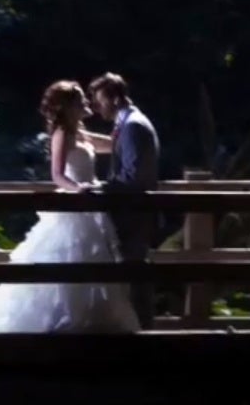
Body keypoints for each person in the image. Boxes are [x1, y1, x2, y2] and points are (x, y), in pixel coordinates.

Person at [0, 80, 142, 334]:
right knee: (68, 259)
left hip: (92, 206)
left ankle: (91, 322)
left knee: (95, 262)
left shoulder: (81, 133)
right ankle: (60, 323)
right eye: (80, 100)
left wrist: (127, 119)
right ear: (67, 107)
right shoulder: (62, 134)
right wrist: (78, 190)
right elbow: (57, 175)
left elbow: (113, 144)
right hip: (75, 203)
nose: (87, 103)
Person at [90, 71, 160, 329]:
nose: (97, 108)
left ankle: (143, 332)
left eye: (101, 101)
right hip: (132, 213)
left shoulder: (133, 126)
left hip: (134, 213)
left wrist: (100, 189)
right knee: (131, 273)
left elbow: (134, 177)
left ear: (116, 98)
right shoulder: (128, 123)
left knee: (135, 273)